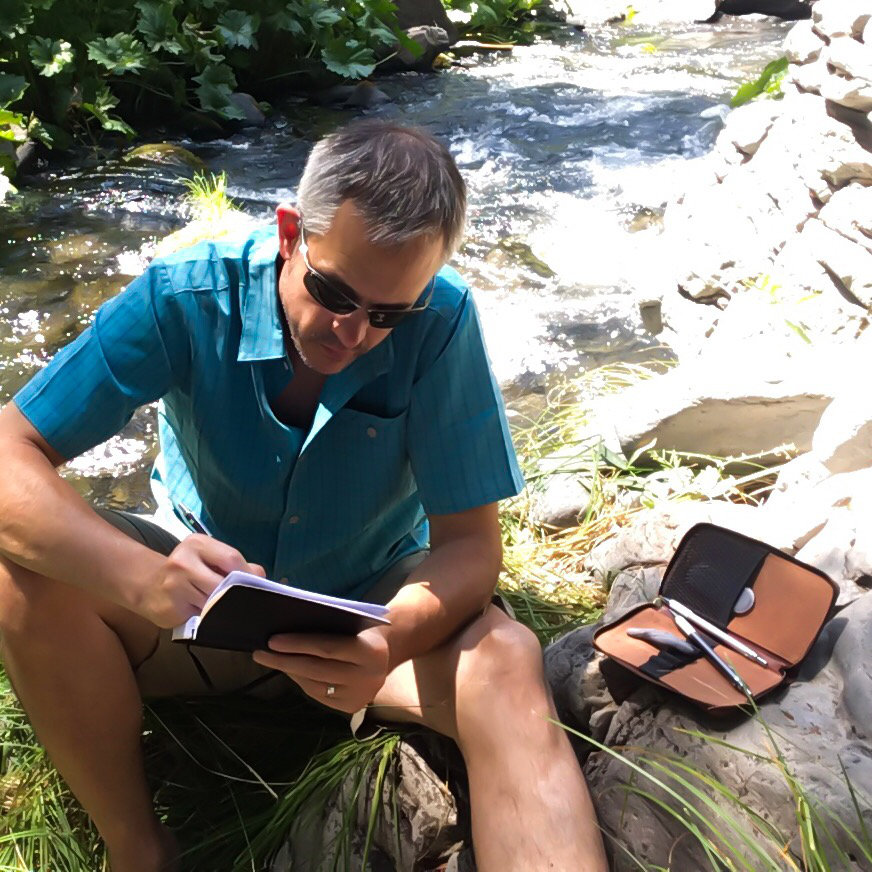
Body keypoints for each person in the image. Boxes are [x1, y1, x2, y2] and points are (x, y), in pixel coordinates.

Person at [0, 120, 608, 872]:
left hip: (365, 625)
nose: (353, 333)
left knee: (508, 658)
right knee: (22, 573)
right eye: (335, 293)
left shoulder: (443, 320)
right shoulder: (185, 294)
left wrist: (393, 636)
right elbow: (7, 458)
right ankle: (140, 849)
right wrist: (141, 579)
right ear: (291, 233)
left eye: (388, 315)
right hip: (198, 615)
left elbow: (470, 548)